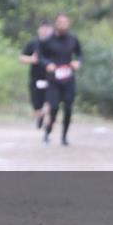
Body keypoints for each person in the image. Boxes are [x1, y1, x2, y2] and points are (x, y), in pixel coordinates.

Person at [40, 13, 82, 146]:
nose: (63, 25)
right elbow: (41, 56)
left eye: (65, 22)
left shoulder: (73, 39)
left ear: (69, 24)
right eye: (60, 22)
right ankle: (48, 130)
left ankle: (64, 136)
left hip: (68, 78)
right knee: (53, 107)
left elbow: (80, 54)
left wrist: (78, 62)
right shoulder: (48, 40)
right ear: (56, 24)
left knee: (68, 108)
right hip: (53, 80)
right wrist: (47, 64)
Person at [19, 20, 53, 129]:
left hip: (51, 78)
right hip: (36, 78)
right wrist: (31, 59)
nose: (45, 30)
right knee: (37, 105)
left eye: (47, 28)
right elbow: (22, 58)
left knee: (50, 101)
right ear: (39, 30)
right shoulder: (33, 43)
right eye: (43, 28)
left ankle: (48, 125)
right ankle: (40, 116)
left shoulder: (55, 44)